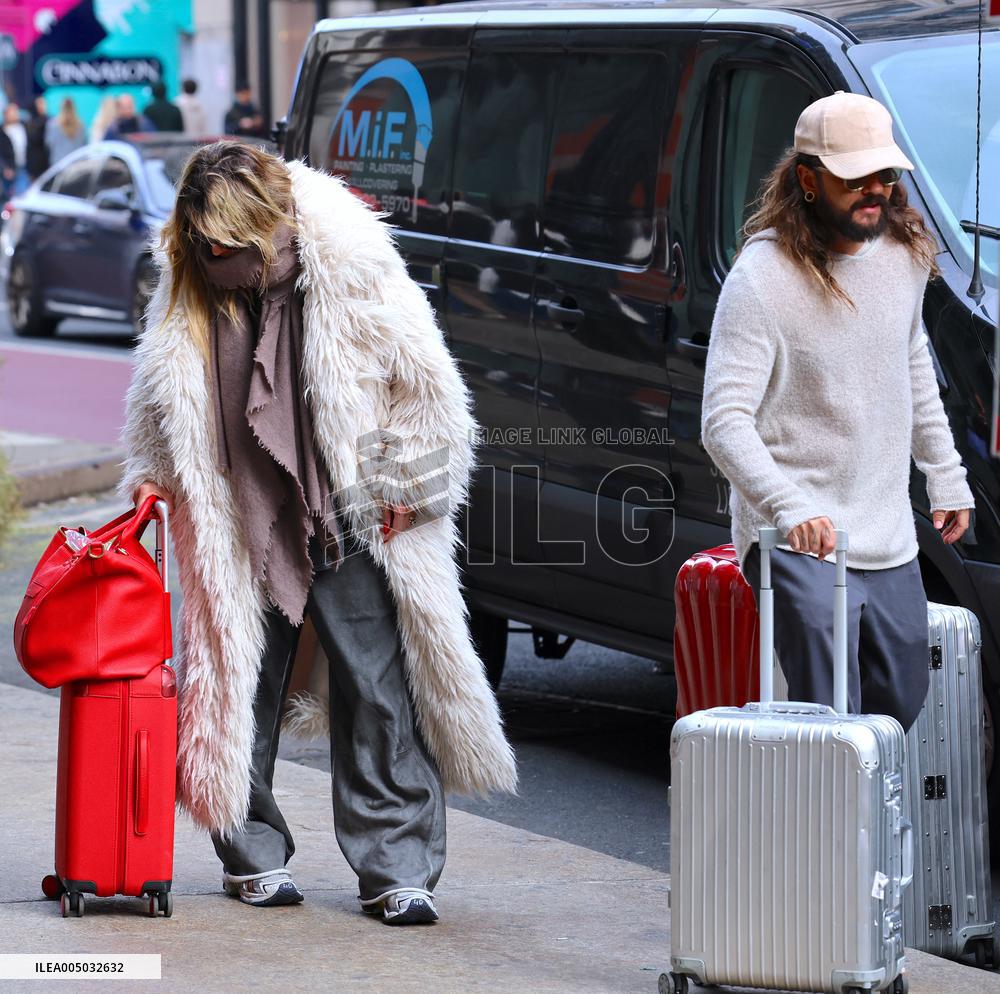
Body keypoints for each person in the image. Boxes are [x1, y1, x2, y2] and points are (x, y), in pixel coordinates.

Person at [116, 142, 517, 921]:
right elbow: (154, 389)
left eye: (230, 246)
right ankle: (249, 850)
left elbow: (428, 387)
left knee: (376, 686)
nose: (215, 257)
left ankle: (396, 866)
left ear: (269, 226)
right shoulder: (190, 266)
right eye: (205, 245)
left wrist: (407, 486)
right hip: (238, 508)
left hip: (350, 506)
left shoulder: (351, 256)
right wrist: (149, 475)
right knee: (239, 683)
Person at [701, 91, 975, 732]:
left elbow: (911, 367)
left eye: (885, 175)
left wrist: (946, 471)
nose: (874, 190)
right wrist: (789, 507)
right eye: (855, 179)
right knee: (829, 714)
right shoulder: (761, 277)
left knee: (901, 698)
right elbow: (723, 420)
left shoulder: (904, 256)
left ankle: (873, 824)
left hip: (885, 524)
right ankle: (825, 830)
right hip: (795, 533)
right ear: (808, 179)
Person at [44, 97, 86, 166]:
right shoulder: (80, 125)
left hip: (59, 164)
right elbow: (84, 145)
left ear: (61, 107)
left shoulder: (53, 124)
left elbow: (49, 143)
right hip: (76, 164)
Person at [2, 103, 29, 194]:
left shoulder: (24, 127)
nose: (15, 114)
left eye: (16, 112)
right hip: (7, 170)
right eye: (12, 112)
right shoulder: (2, 131)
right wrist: (4, 167)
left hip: (23, 167)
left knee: (21, 194)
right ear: (5, 114)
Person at [25, 95, 49, 179]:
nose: (41, 106)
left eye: (43, 103)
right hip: (34, 165)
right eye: (39, 103)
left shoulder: (51, 121)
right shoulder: (29, 122)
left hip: (47, 163)